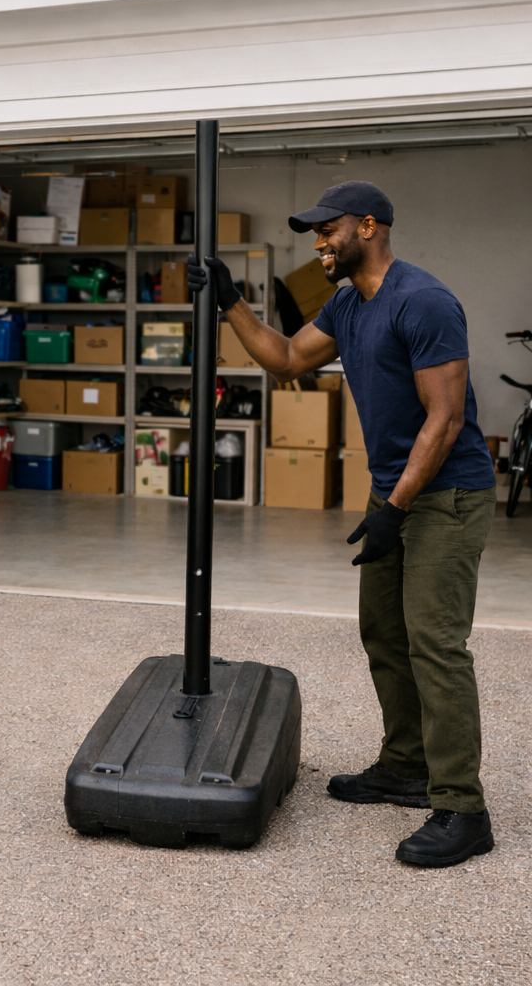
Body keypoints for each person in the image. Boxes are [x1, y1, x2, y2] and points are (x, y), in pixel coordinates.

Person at [188, 181, 498, 868]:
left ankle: (462, 808)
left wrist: (396, 508)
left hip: (445, 496)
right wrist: (231, 300)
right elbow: (289, 360)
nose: (319, 243)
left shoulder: (423, 301)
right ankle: (406, 766)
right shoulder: (348, 303)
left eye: (327, 231)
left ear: (370, 225)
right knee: (384, 632)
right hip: (394, 493)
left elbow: (444, 420)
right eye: (314, 233)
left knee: (435, 644)